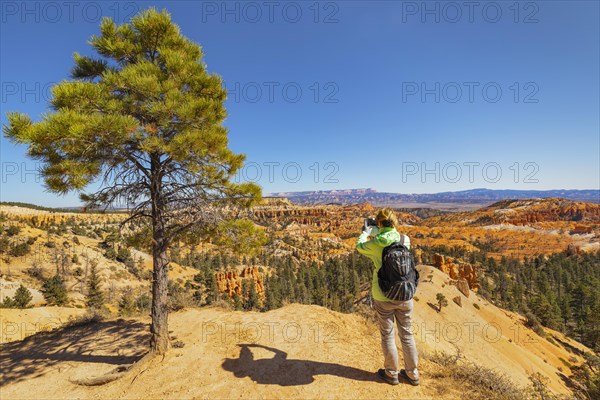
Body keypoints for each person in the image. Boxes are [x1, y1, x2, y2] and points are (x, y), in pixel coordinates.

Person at [355, 208, 420, 386]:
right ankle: (413, 374)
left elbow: (359, 247)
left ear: (379, 223)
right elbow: (391, 236)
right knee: (407, 334)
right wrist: (381, 230)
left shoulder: (376, 243)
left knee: (388, 335)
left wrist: (366, 232)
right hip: (405, 294)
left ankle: (391, 373)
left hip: (383, 295)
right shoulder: (404, 239)